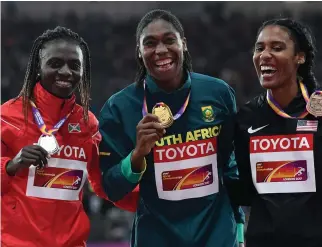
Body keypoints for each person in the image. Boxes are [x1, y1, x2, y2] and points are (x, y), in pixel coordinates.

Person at [99, 9, 245, 247]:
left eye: (169, 40)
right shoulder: (119, 108)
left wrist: (238, 228)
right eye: (150, 43)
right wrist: (137, 156)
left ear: (183, 44)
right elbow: (111, 189)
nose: (161, 50)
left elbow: (230, 168)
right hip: (156, 238)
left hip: (217, 237)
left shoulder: (218, 93)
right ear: (139, 51)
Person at [230, 18, 322, 247]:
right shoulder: (247, 117)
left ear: (300, 57)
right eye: (259, 48)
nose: (264, 55)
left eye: (277, 48)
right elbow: (244, 193)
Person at [1, 26, 108, 247]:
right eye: (55, 63)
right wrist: (11, 165)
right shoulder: (7, 117)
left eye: (75, 65)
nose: (66, 72)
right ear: (38, 68)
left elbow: (104, 182)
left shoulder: (88, 123)